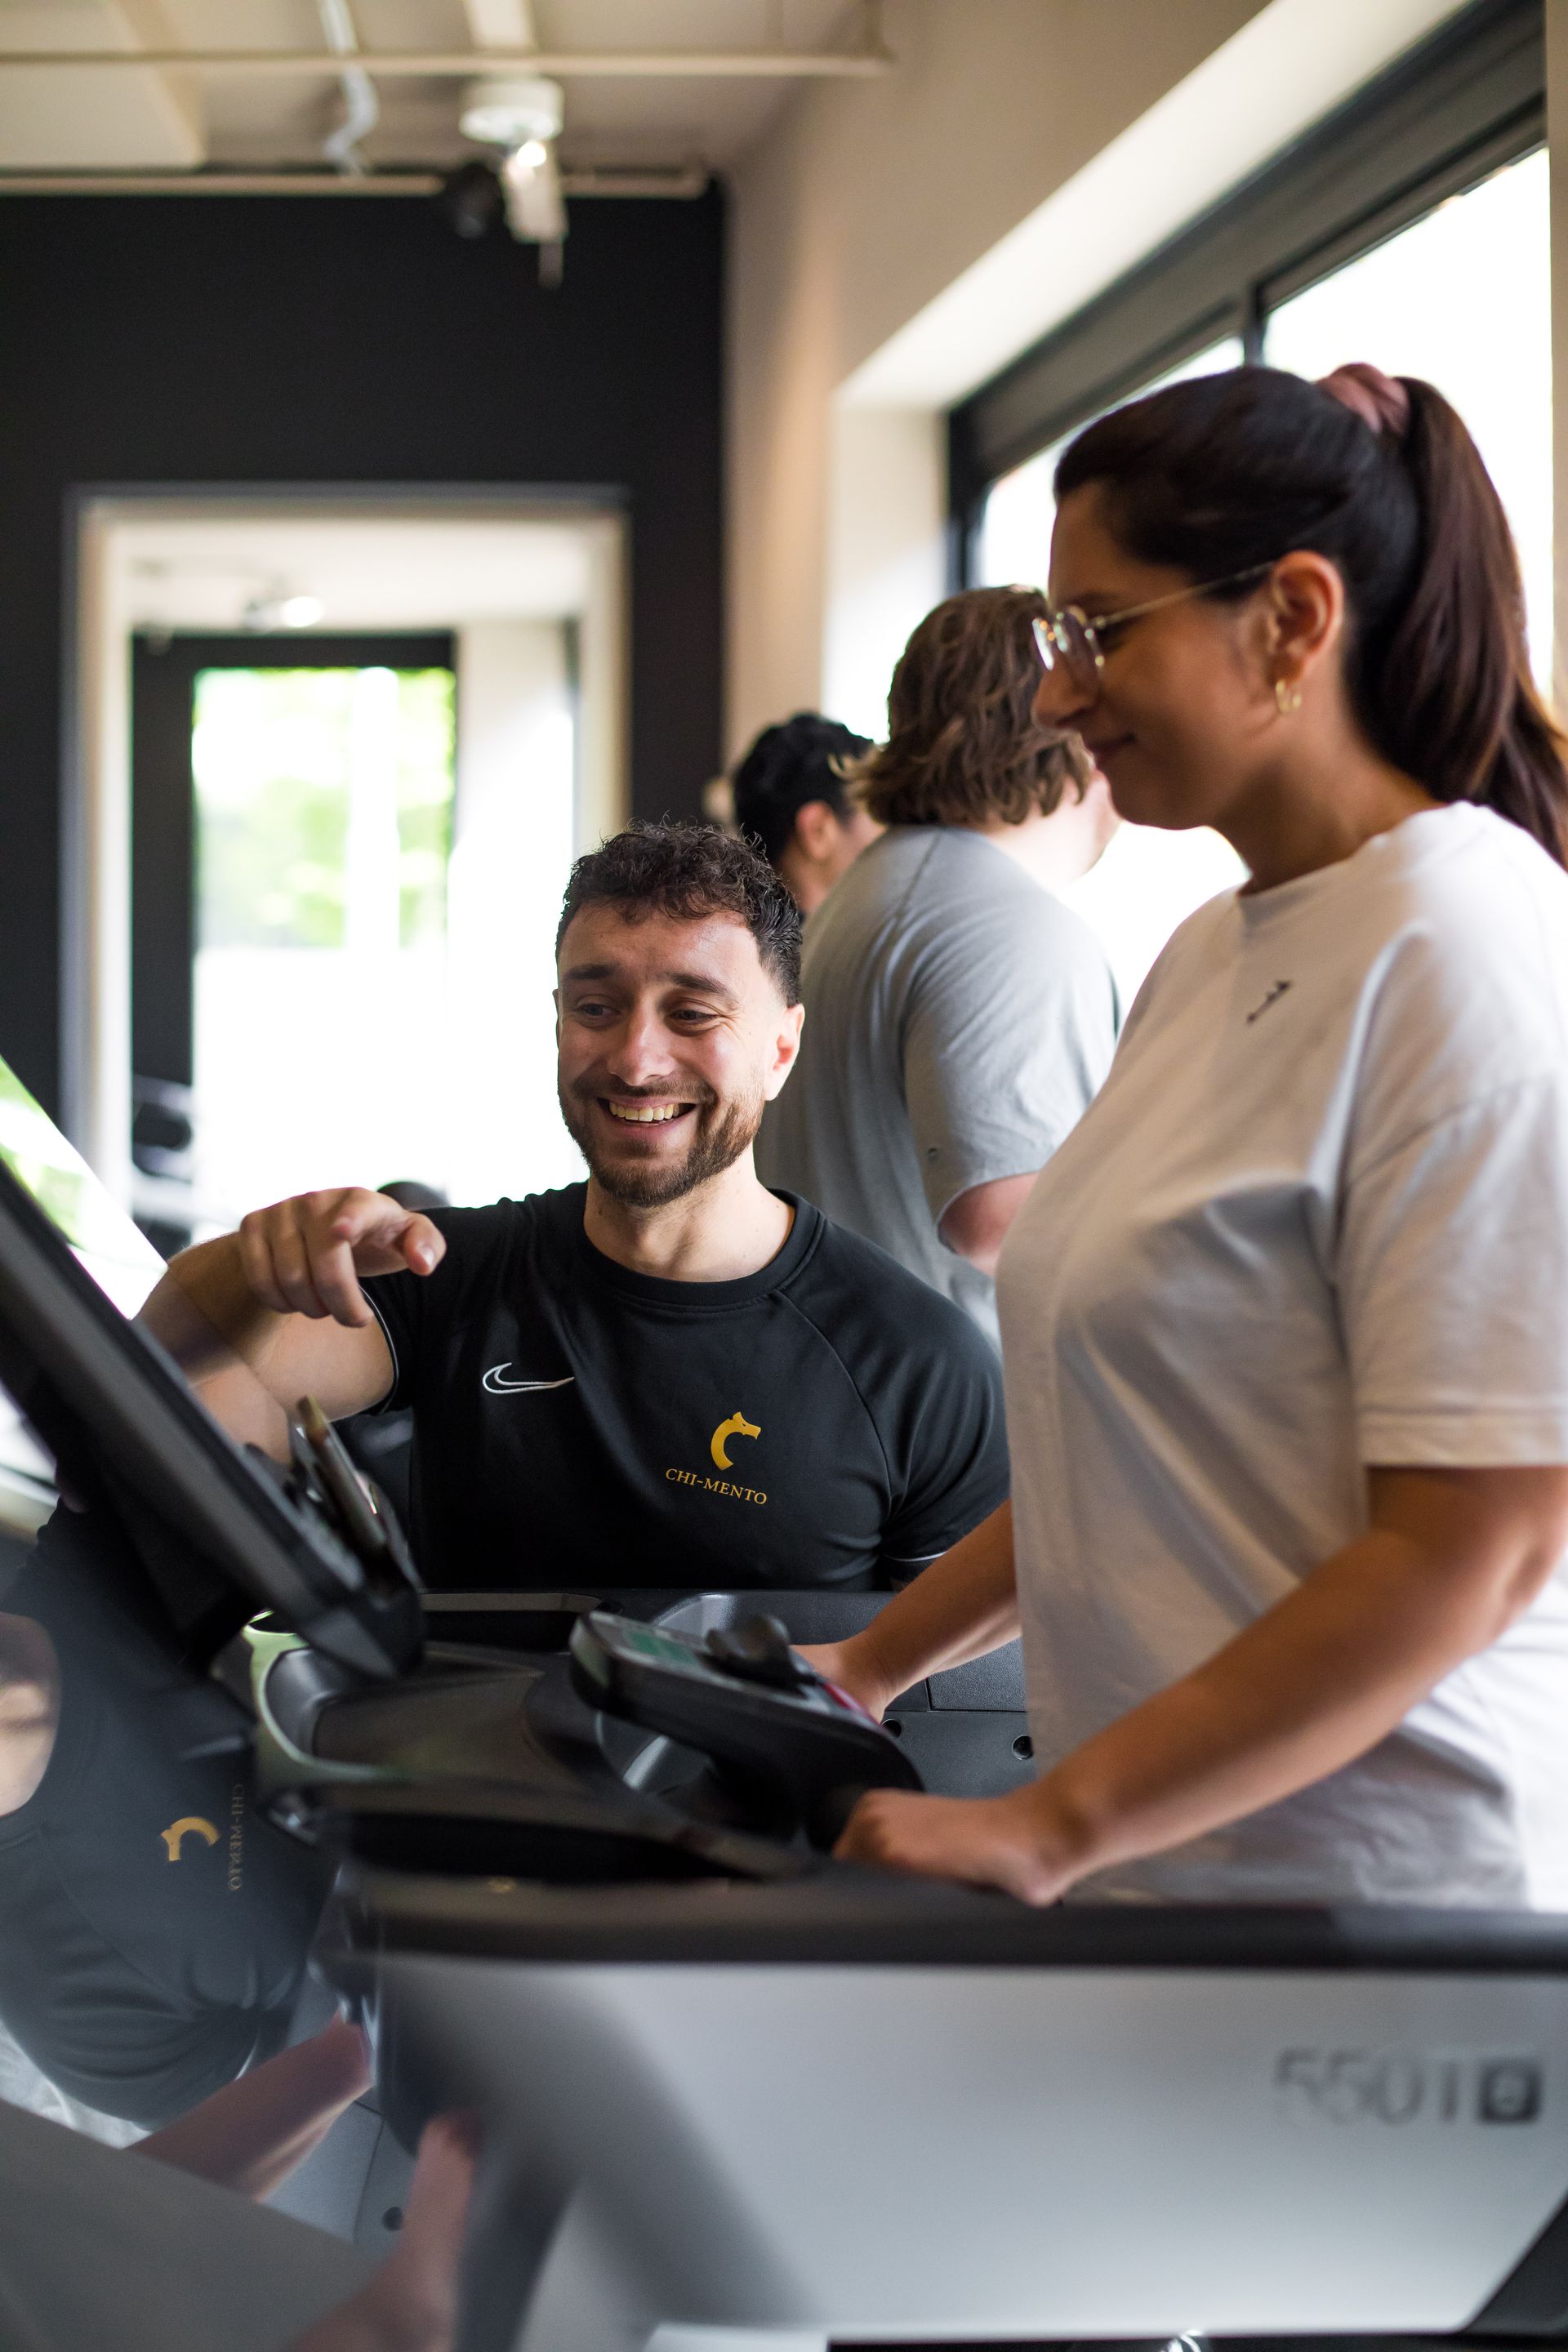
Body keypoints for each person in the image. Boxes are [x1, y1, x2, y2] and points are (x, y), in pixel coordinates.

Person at [809, 362, 1568, 1911]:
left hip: (1382, 1916)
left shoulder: (1468, 956)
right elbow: (1137, 1439)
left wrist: (1053, 1825)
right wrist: (868, 1666)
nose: (1056, 694)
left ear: (1290, 619)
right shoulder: (1211, 951)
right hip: (1170, 1879)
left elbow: (1478, 1544)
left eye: (1101, 632)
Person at [145, 824, 1007, 1595]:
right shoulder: (446, 1272)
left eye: (692, 1012)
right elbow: (174, 1371)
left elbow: (955, 1705)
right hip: (467, 1770)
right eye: (597, 1008)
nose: (636, 1060)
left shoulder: (919, 1366)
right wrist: (256, 1264)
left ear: (780, 1048)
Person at [756, 588, 1119, 1349]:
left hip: (859, 1407)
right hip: (963, 1443)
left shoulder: (874, 890)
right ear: (1071, 720)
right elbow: (1001, 1217)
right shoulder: (1005, 925)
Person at [728, 710, 878, 914]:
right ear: (817, 829)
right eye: (879, 818)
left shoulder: (747, 935)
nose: (890, 838)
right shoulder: (844, 942)